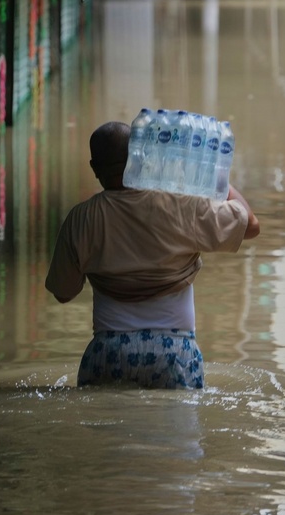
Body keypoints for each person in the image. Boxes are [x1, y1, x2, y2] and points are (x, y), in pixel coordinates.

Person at [45, 121, 261, 389]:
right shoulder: (181, 205)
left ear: (94, 167)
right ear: (140, 156)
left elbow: (63, 293)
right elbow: (250, 225)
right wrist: (209, 174)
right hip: (174, 355)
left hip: (108, 354)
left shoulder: (81, 219)